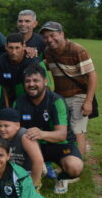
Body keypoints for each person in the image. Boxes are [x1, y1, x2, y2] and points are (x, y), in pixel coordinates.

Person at [14, 64, 84, 194]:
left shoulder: (56, 101)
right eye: (28, 81)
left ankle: (62, 177)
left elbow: (62, 135)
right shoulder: (19, 102)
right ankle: (40, 167)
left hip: (60, 145)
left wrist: (41, 134)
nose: (31, 84)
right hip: (34, 145)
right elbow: (14, 129)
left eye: (36, 80)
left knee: (75, 167)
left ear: (45, 81)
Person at [40, 21, 97, 159]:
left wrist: (88, 101)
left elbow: (92, 75)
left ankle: (78, 164)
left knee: (77, 130)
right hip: (60, 97)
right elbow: (45, 65)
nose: (49, 39)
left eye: (52, 35)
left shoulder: (77, 50)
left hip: (79, 95)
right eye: (46, 37)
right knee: (62, 128)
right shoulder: (48, 52)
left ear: (62, 34)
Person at [0, 108, 44, 188]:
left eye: (6, 126)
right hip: (11, 171)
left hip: (27, 171)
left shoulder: (25, 137)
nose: (2, 129)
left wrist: (33, 185)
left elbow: (38, 161)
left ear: (17, 125)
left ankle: (39, 177)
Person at [0, 33, 47, 107]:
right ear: (6, 47)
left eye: (17, 48)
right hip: (10, 101)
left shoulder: (35, 62)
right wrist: (7, 109)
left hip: (33, 101)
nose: (14, 52)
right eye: (10, 48)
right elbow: (1, 89)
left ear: (24, 47)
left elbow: (45, 87)